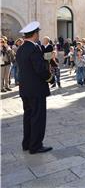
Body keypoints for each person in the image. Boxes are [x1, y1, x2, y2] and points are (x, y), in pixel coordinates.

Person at [16, 21, 54, 154]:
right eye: (38, 33)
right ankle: (36, 145)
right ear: (35, 34)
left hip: (25, 89)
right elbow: (39, 69)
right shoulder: (33, 48)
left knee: (28, 116)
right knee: (38, 117)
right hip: (36, 89)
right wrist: (50, 77)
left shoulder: (20, 48)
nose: (39, 35)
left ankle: (27, 143)